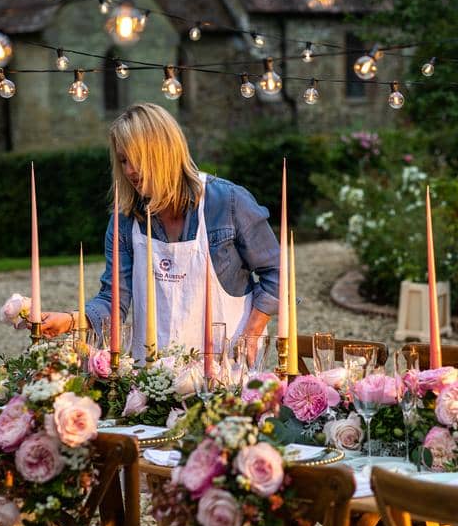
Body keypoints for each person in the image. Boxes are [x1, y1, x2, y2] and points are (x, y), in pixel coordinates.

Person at [37, 103, 279, 360]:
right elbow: (113, 299)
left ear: (165, 151)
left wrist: (252, 333)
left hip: (226, 366)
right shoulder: (124, 219)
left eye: (137, 157)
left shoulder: (228, 202)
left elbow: (277, 273)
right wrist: (71, 320)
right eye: (123, 160)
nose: (130, 170)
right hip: (152, 375)